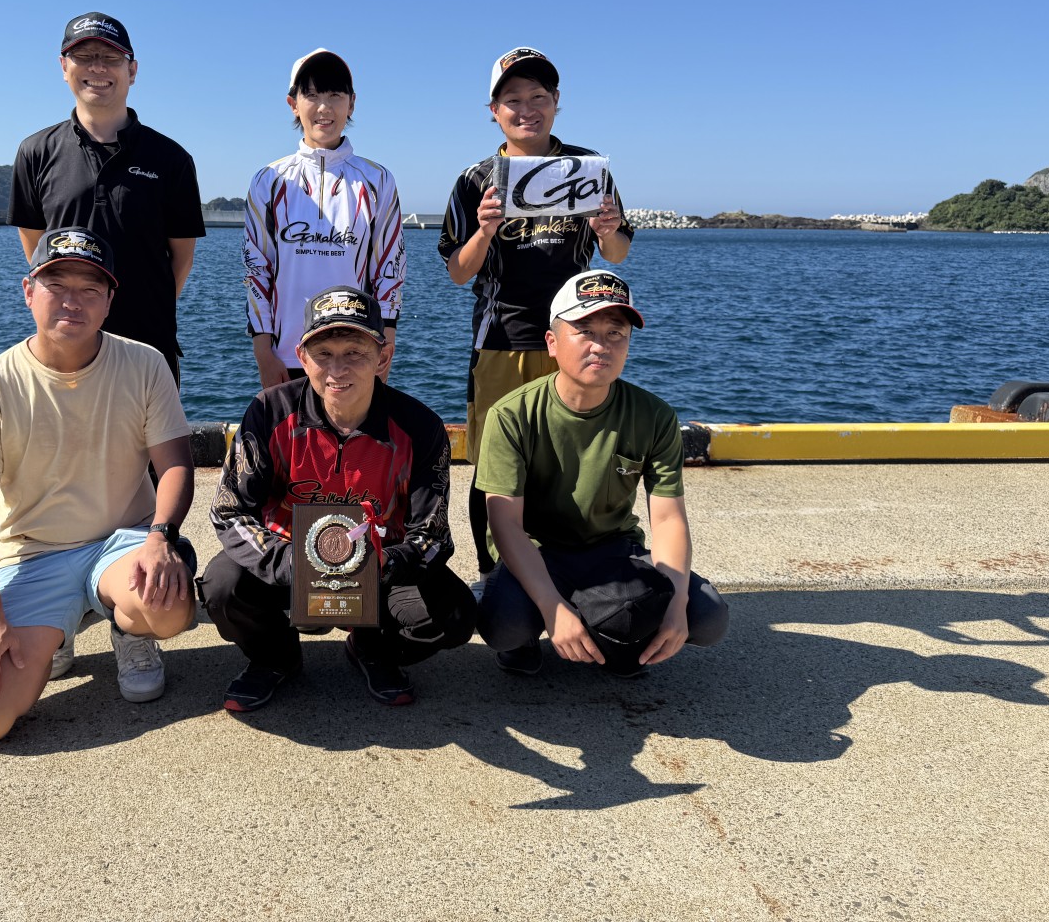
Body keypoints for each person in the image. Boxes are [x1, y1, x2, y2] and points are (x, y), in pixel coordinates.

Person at [0, 227, 197, 743]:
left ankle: (130, 631)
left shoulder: (145, 364)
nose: (72, 301)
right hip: (33, 554)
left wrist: (160, 537)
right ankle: (55, 634)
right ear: (28, 291)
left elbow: (175, 464)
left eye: (90, 289)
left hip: (121, 543)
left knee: (167, 609)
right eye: (57, 285)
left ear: (109, 301)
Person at [203, 285, 475, 712]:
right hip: (287, 562)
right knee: (222, 586)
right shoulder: (269, 412)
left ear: (382, 357)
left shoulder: (420, 427)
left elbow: (433, 534)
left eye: (355, 352)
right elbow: (229, 510)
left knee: (454, 615)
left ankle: (371, 646)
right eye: (323, 353)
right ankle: (276, 657)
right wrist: (290, 563)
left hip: (381, 572)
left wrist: (387, 563)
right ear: (302, 356)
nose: (337, 368)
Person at [438, 46, 635, 585]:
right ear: (494, 111)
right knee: (496, 465)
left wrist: (607, 230)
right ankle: (494, 578)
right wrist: (484, 230)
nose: (526, 109)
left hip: (575, 334)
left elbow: (617, 253)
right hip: (501, 338)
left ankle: (567, 569)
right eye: (513, 100)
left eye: (538, 97)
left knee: (570, 458)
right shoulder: (477, 178)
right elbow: (457, 271)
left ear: (556, 102)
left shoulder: (588, 169)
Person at [475, 268, 728, 676]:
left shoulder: (654, 416)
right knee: (505, 626)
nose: (601, 346)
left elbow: (668, 519)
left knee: (707, 616)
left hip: (612, 549)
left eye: (615, 333)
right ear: (552, 343)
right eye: (585, 331)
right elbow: (505, 524)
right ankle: (546, 634)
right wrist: (552, 607)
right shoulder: (511, 415)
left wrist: (676, 601)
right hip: (539, 551)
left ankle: (619, 637)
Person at [8, 12, 204, 383]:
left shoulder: (172, 159)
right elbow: (36, 249)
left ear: (132, 70)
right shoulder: (35, 152)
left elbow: (182, 259)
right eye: (84, 56)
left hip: (148, 345)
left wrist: (142, 305)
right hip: (65, 347)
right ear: (64, 67)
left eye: (111, 57)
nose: (98, 67)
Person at [245, 49, 404, 388]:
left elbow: (389, 270)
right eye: (312, 95)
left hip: (357, 355)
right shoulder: (268, 180)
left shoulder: (378, 181)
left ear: (352, 103)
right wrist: (263, 352)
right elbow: (257, 270)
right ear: (293, 103)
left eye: (335, 95)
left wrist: (383, 348)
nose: (324, 107)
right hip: (285, 356)